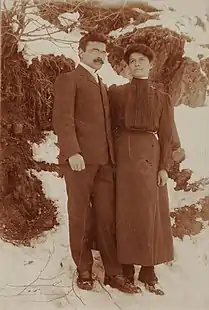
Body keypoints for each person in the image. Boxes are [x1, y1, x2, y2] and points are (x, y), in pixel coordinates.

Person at [52, 32, 139, 294]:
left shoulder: (101, 84)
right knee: (80, 215)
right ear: (80, 52)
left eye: (103, 51)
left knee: (106, 217)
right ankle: (84, 270)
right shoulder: (69, 79)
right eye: (94, 50)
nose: (100, 55)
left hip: (104, 164)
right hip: (79, 162)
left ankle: (113, 273)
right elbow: (62, 119)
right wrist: (72, 152)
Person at [108, 43, 175, 295]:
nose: (136, 64)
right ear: (127, 65)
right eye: (132, 60)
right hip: (123, 153)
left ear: (151, 64)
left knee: (149, 211)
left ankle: (148, 268)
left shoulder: (162, 98)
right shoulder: (116, 93)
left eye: (141, 60)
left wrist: (164, 167)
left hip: (150, 153)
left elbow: (167, 136)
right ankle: (126, 267)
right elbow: (108, 125)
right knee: (125, 210)